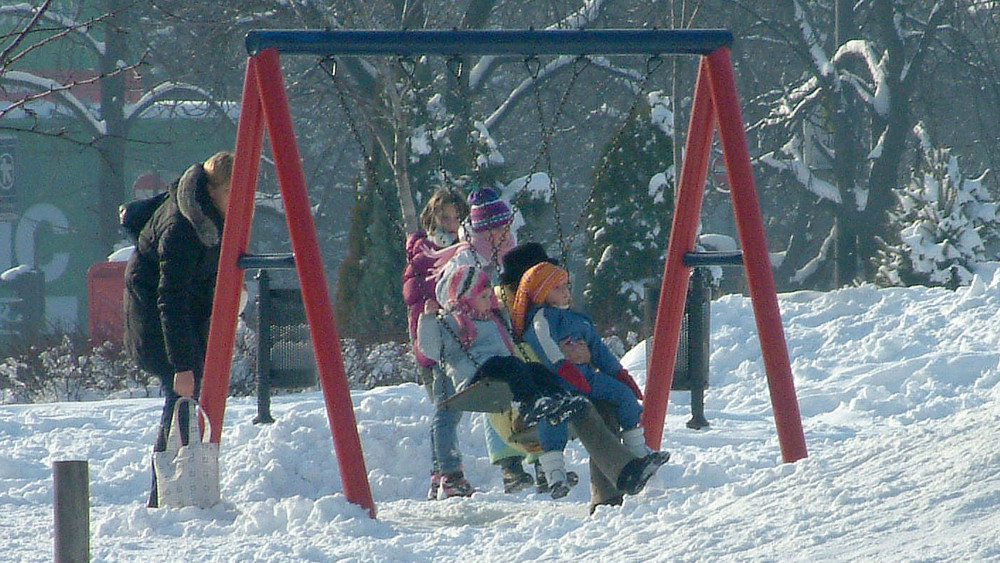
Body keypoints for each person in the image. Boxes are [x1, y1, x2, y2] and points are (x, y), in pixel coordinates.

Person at [418, 263, 668, 500]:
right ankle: (536, 411)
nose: (489, 300)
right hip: (486, 379)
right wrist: (427, 318)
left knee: (541, 374)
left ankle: (564, 407)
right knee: (519, 369)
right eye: (483, 297)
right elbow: (430, 348)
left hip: (524, 380)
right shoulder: (453, 322)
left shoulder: (497, 319)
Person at [123, 151, 233, 508]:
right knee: (182, 396)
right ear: (213, 190)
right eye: (231, 192)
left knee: (184, 400)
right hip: (157, 323)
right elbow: (170, 299)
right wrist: (182, 365)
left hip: (179, 319)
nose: (239, 202)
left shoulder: (207, 214)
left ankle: (171, 495)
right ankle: (167, 497)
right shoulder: (183, 227)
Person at [430, 186, 537, 493]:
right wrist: (475, 301)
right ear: (485, 231)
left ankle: (537, 457)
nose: (505, 233)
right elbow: (447, 291)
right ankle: (494, 466)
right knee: (459, 405)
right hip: (465, 339)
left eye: (506, 227)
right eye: (498, 229)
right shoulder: (466, 255)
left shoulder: (510, 252)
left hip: (502, 332)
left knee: (521, 384)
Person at [512, 261, 653, 458]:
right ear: (541, 293)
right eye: (557, 288)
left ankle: (638, 449)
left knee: (624, 395)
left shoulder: (578, 319)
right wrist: (562, 366)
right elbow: (546, 344)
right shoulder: (542, 317)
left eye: (566, 286)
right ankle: (555, 469)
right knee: (554, 418)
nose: (565, 292)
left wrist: (619, 373)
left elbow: (598, 349)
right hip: (560, 382)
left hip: (588, 378)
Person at [401, 188, 470, 500]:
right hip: (435, 340)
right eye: (445, 218)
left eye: (456, 218)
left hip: (455, 337)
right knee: (448, 408)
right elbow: (414, 294)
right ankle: (451, 474)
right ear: (432, 219)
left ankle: (438, 475)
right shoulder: (423, 254)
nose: (451, 225)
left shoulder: (461, 250)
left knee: (447, 406)